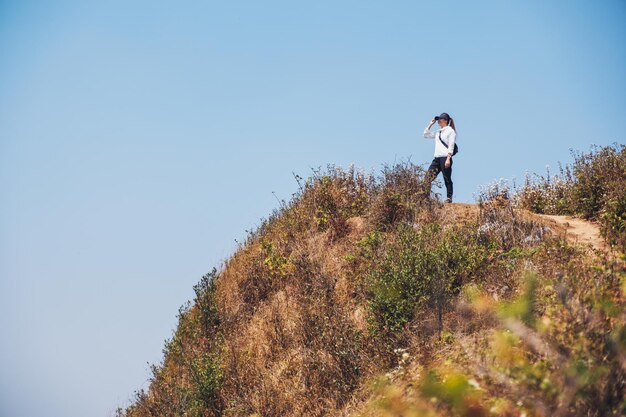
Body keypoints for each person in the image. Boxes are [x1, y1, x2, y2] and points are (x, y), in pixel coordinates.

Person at [423, 112, 457, 203]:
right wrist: (430, 124)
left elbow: (451, 145)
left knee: (447, 178)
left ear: (445, 121)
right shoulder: (438, 132)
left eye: (440, 119)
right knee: (428, 178)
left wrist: (448, 158)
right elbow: (425, 135)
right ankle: (425, 197)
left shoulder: (450, 131)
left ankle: (449, 197)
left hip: (445, 158)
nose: (438, 121)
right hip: (436, 159)